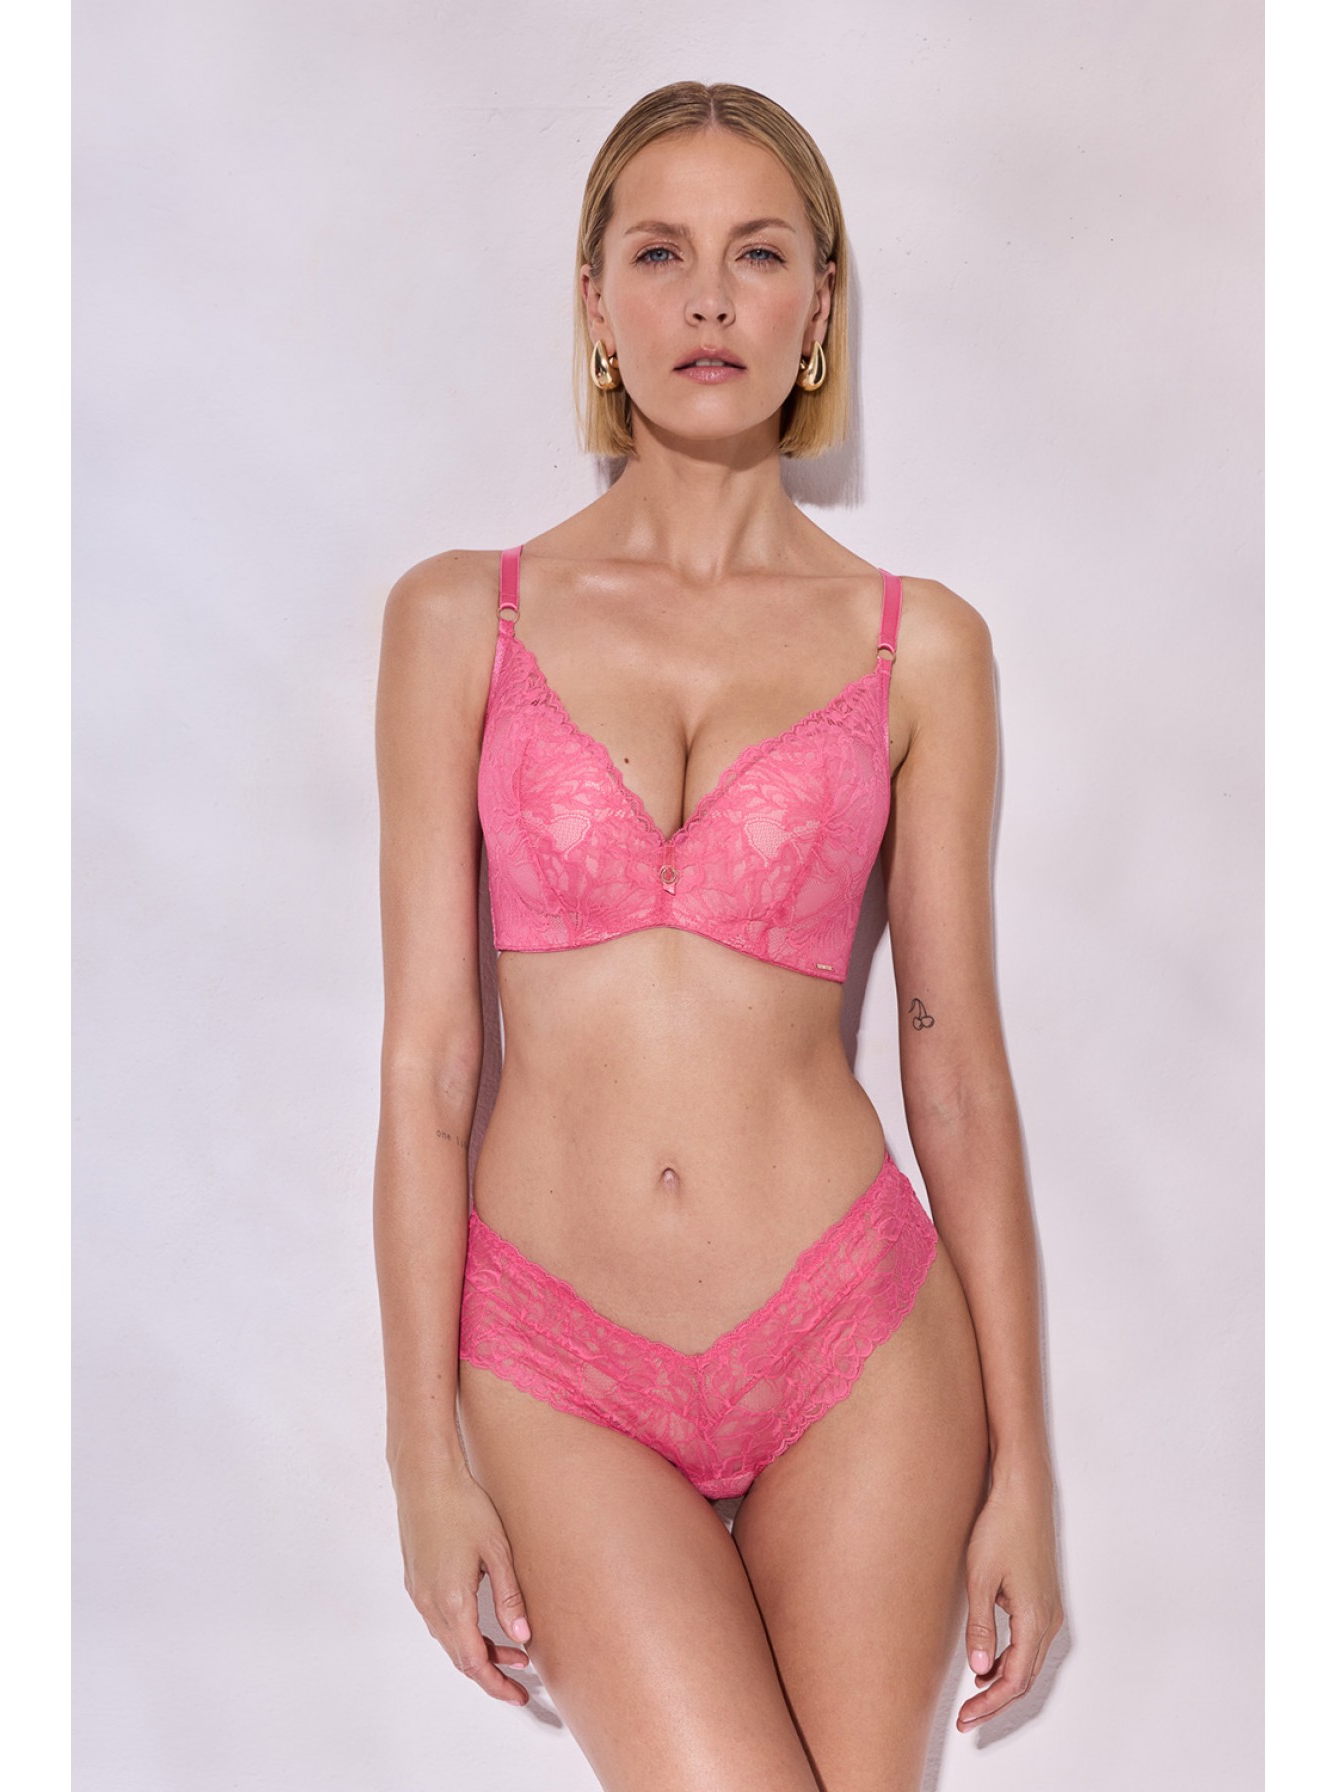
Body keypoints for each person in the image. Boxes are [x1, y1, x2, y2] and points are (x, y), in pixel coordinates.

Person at [373, 79, 1063, 1792]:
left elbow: (956, 1073)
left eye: (757, 255)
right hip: (558, 1360)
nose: (706, 299)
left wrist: (1027, 1477)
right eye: (658, 253)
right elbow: (431, 1067)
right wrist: (421, 1464)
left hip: (858, 1344)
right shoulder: (461, 617)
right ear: (594, 303)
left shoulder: (923, 646)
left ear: (817, 306)